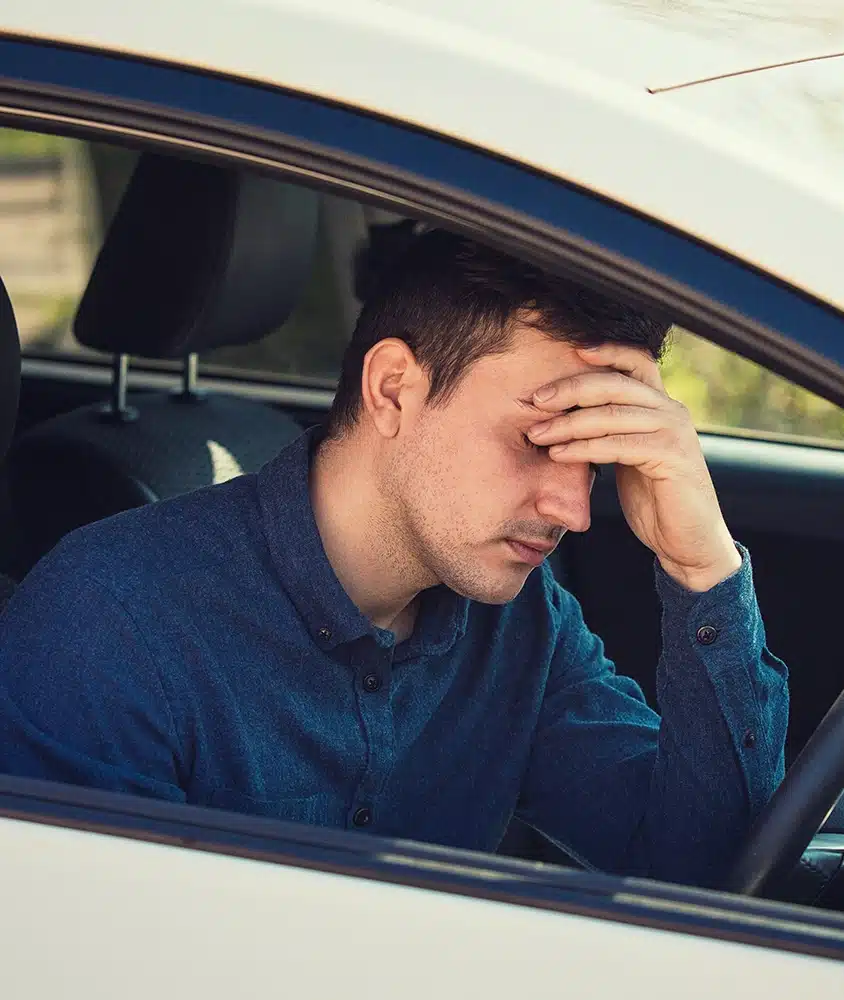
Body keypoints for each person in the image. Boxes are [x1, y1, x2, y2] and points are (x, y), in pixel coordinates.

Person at [0, 230, 788, 888]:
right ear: (392, 390)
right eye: (540, 438)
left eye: (591, 456)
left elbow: (702, 878)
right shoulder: (109, 623)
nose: (575, 511)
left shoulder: (521, 622)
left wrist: (702, 570)